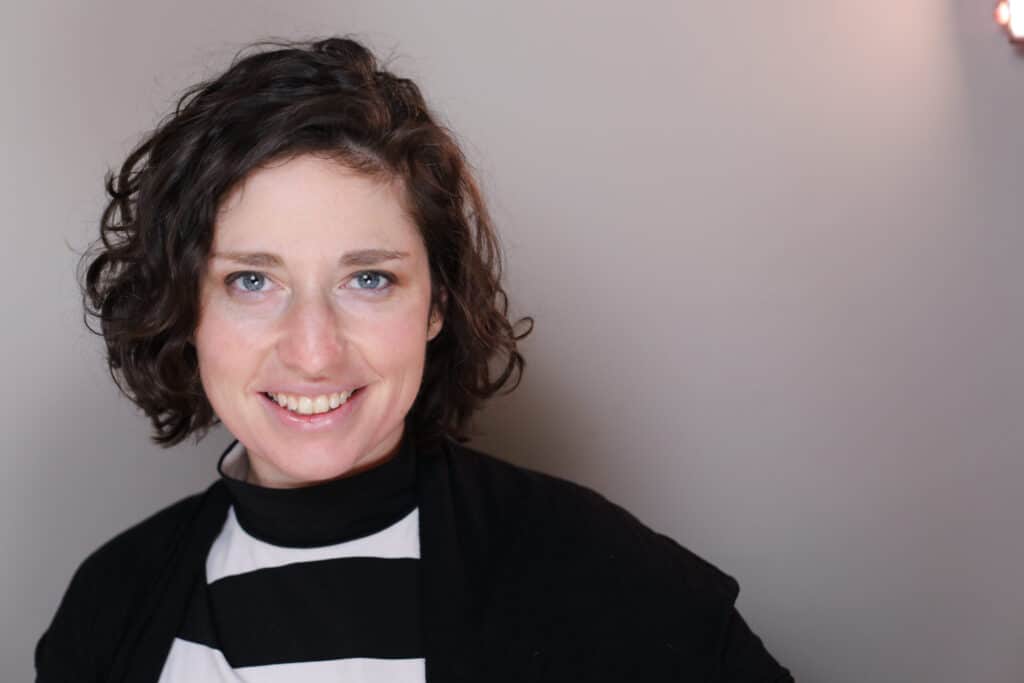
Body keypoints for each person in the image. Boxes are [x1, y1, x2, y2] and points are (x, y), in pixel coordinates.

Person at [35, 37, 794, 682]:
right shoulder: (110, 603)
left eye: (368, 278)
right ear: (187, 307)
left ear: (436, 302)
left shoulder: (600, 571)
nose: (312, 348)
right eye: (251, 280)